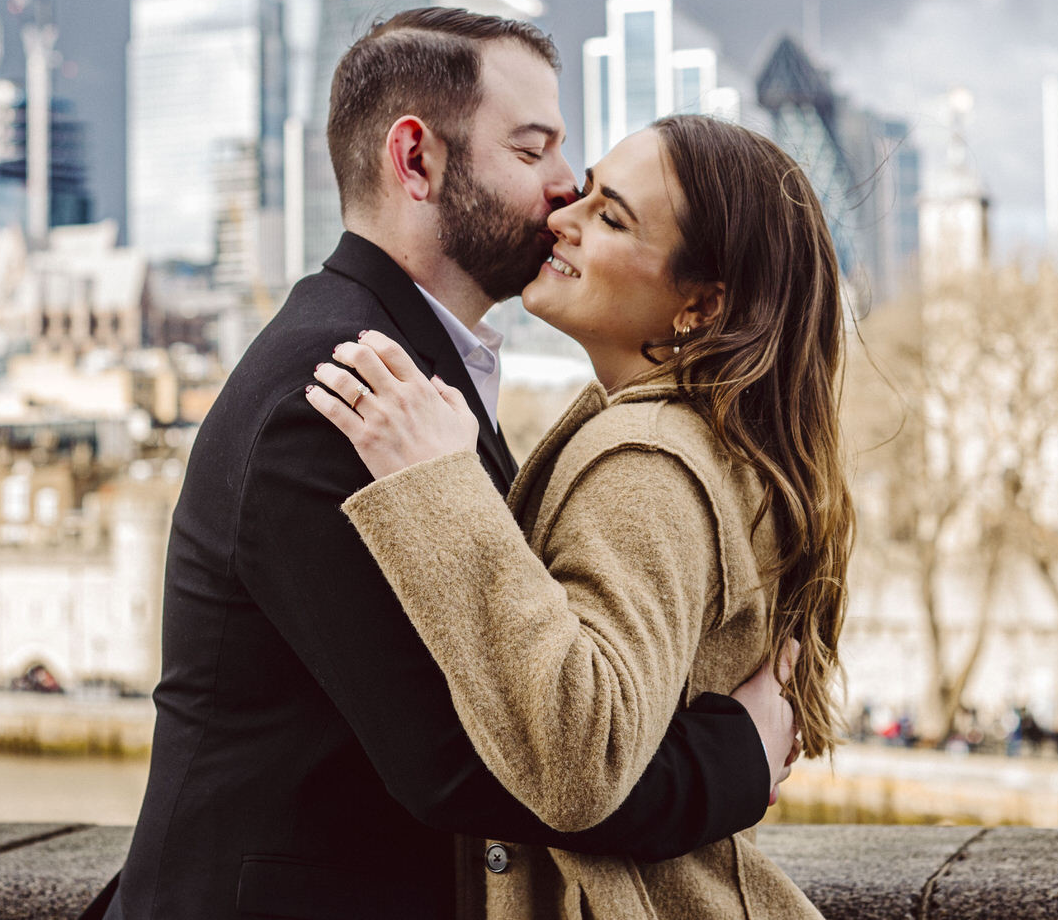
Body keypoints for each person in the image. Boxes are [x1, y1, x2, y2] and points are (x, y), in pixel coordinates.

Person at [92, 10, 797, 920]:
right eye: (534, 150)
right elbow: (471, 759)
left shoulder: (411, 371)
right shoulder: (340, 390)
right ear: (416, 161)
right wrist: (740, 753)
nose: (561, 191)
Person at [309, 113, 853, 917]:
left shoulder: (648, 461)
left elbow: (579, 757)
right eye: (588, 190)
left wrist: (439, 485)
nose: (562, 213)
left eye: (611, 215)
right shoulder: (700, 439)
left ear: (700, 304)